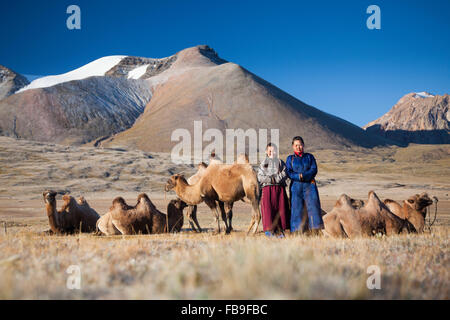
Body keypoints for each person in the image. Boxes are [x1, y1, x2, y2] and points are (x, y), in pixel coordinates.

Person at [286, 136, 324, 234]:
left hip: (309, 185)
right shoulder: (290, 159)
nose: (299, 147)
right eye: (296, 145)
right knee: (296, 208)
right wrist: (299, 177)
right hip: (296, 186)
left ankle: (315, 230)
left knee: (313, 206)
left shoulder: (309, 157)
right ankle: (296, 231)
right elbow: (288, 172)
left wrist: (304, 176)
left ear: (303, 145)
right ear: (293, 147)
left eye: (300, 145)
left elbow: (314, 169)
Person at [257, 143, 290, 237]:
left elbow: (284, 174)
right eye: (270, 151)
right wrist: (270, 179)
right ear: (267, 152)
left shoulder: (281, 162)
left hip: (280, 190)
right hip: (267, 189)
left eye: (274, 150)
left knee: (281, 209)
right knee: (268, 210)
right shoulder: (263, 163)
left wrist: (275, 179)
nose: (272, 152)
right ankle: (269, 232)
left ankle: (281, 232)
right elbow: (260, 177)